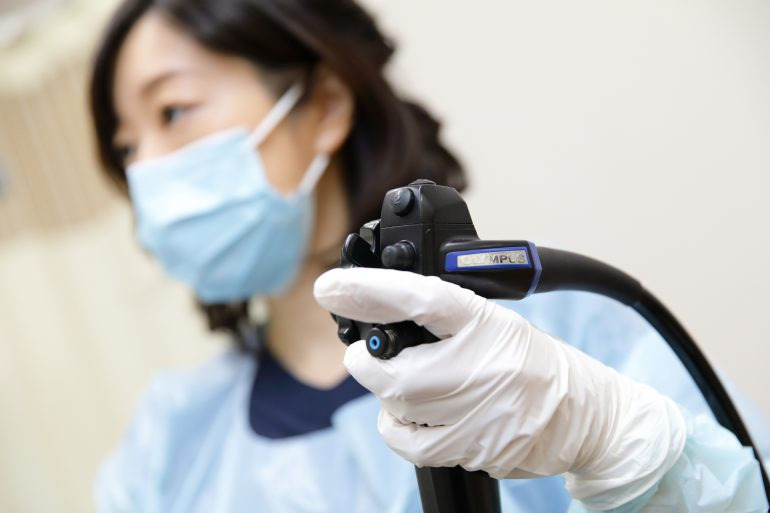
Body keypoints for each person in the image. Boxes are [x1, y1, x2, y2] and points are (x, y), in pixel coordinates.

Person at [89, 0, 770, 511]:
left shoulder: (575, 342)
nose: (145, 168)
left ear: (325, 106)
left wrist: (620, 445)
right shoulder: (167, 446)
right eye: (125, 147)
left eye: (172, 112)